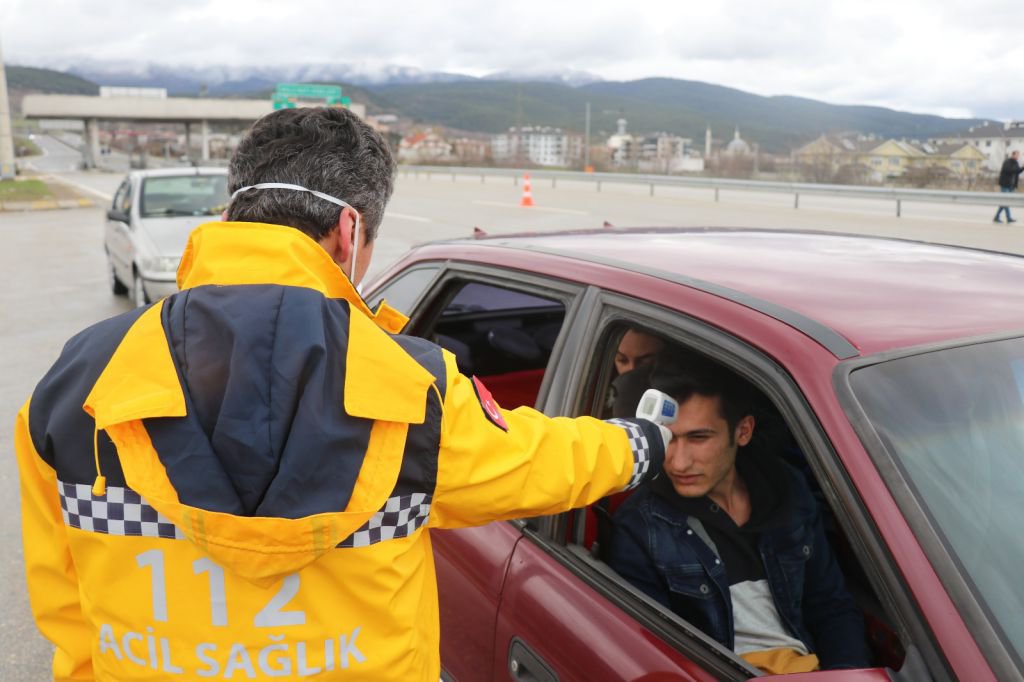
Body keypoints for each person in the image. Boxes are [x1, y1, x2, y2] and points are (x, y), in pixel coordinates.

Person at [14, 107, 669, 682]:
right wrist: (644, 443)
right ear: (350, 232)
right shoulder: (411, 387)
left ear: (230, 213)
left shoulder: (77, 384)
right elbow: (545, 461)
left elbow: (66, 611)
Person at [606, 357, 870, 674]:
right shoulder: (639, 528)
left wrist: (847, 674)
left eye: (698, 438)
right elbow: (656, 656)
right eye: (667, 439)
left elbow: (831, 607)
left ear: (743, 431)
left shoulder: (787, 491)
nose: (678, 462)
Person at [994, 150, 1022, 223]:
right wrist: (1018, 169)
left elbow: (1017, 171)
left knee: (1005, 202)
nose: (1018, 157)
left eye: (1018, 155)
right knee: (1006, 201)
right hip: (1005, 184)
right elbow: (1009, 170)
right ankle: (1008, 218)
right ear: (1013, 155)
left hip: (1011, 185)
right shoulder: (1007, 162)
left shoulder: (1016, 163)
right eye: (1017, 155)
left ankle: (996, 217)